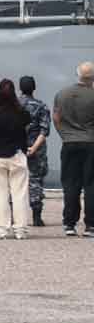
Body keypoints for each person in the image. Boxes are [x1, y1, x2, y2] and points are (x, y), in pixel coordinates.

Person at [0, 79, 31, 240]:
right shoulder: (22, 113)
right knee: (20, 194)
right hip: (17, 155)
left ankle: (1, 229)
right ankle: (20, 230)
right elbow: (25, 132)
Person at [54, 62, 94, 236]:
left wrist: (64, 133)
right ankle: (91, 225)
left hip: (69, 142)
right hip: (91, 142)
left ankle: (69, 223)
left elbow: (56, 117)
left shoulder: (62, 94)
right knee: (91, 184)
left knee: (71, 184)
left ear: (77, 74)